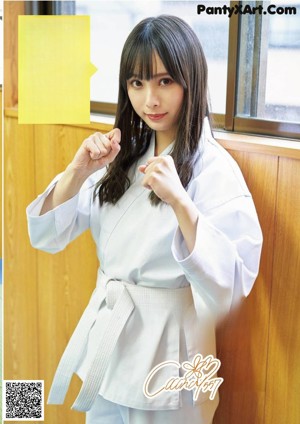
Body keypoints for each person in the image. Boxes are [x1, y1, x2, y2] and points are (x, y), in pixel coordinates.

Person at [26, 15, 263, 424]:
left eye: (164, 81)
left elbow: (232, 283)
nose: (150, 99)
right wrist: (77, 172)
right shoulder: (123, 155)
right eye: (137, 83)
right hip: (109, 343)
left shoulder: (215, 170)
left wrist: (180, 201)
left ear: (191, 81)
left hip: (172, 356)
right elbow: (47, 234)